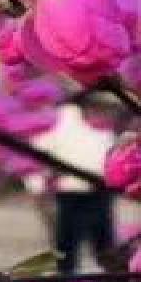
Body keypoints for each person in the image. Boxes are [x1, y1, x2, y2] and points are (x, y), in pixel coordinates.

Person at [35, 102, 119, 271]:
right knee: (67, 236)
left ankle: (108, 273)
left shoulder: (104, 129)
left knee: (102, 235)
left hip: (99, 189)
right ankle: (66, 273)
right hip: (70, 191)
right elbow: (43, 151)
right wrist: (40, 184)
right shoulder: (62, 120)